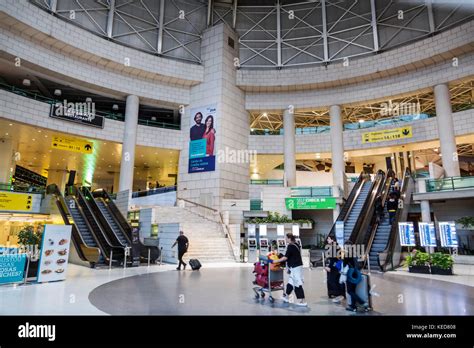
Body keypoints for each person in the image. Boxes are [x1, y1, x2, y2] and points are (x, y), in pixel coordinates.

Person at [273, 233, 307, 306]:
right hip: (298, 266)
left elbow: (285, 257)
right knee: (291, 282)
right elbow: (290, 256)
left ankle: (303, 301)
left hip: (295, 267)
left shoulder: (290, 246)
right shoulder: (296, 244)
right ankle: (287, 297)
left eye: (286, 238)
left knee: (297, 283)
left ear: (289, 238)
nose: (285, 239)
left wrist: (275, 261)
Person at [343, 241, 368, 312]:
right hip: (356, 273)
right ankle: (353, 306)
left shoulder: (347, 254)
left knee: (349, 291)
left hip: (350, 274)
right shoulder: (355, 253)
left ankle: (362, 302)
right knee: (353, 290)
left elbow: (345, 265)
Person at [324, 236, 346, 303]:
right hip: (335, 266)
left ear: (333, 240)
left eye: (329, 239)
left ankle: (339, 294)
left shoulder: (335, 248)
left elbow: (335, 260)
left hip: (335, 267)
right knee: (335, 280)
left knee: (332, 280)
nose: (327, 240)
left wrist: (330, 267)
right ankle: (336, 293)